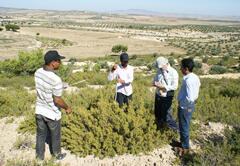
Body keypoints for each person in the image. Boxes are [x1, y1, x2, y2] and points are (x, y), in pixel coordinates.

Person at [34, 50, 72, 162]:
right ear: (53, 63)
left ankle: (39, 158)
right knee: (55, 136)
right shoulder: (56, 79)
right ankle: (56, 156)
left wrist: (60, 86)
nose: (60, 63)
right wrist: (67, 107)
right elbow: (57, 100)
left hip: (39, 110)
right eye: (58, 61)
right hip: (52, 113)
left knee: (41, 135)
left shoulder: (38, 72)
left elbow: (42, 86)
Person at [175, 58, 200, 154]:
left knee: (184, 127)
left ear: (186, 68)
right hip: (190, 106)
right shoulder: (195, 77)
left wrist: (182, 104)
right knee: (184, 126)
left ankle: (185, 148)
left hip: (186, 107)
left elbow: (190, 97)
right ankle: (183, 144)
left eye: (181, 67)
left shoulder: (188, 80)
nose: (180, 69)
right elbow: (196, 92)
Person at [153, 57, 179, 132]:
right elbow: (155, 80)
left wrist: (164, 86)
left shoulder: (173, 72)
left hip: (167, 96)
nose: (160, 68)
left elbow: (175, 86)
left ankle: (176, 130)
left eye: (161, 67)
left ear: (166, 64)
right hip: (158, 95)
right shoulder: (158, 72)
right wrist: (156, 84)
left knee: (166, 115)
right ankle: (160, 129)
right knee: (157, 114)